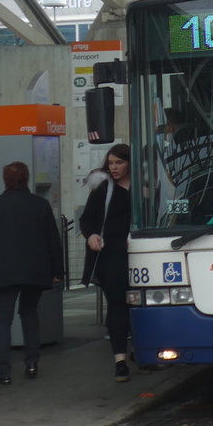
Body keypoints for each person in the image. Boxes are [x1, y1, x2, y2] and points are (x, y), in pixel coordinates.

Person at [0, 161, 63, 386]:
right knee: (29, 314)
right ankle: (32, 362)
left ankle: (3, 371)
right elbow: (53, 241)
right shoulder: (40, 205)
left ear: (6, 180)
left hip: (2, 271)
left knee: (2, 320)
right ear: (27, 178)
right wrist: (56, 271)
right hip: (34, 271)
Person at [80, 143, 133, 382]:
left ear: (130, 163)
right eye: (111, 163)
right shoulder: (103, 188)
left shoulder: (146, 188)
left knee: (139, 304)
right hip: (110, 254)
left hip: (138, 253)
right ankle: (120, 360)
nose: (114, 168)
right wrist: (91, 234)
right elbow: (87, 219)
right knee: (117, 303)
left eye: (119, 163)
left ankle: (141, 352)